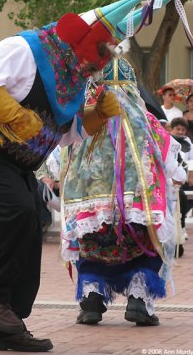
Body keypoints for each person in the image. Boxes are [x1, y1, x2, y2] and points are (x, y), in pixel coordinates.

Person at [0, 0, 179, 352]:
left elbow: (64, 133)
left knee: (34, 216)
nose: (102, 62)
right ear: (81, 40)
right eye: (102, 50)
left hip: (14, 159)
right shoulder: (28, 48)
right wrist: (13, 114)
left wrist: (94, 117)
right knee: (15, 210)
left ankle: (4, 326)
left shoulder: (75, 77)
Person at [61, 56, 186, 327]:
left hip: (90, 206)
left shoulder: (87, 123)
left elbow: (65, 157)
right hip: (138, 206)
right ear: (132, 85)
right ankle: (138, 300)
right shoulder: (146, 121)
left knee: (93, 245)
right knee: (145, 246)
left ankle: (92, 301)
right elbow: (172, 162)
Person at [35, 145, 61, 233]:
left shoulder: (74, 142)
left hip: (67, 184)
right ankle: (43, 221)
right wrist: (45, 179)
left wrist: (59, 184)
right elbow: (40, 168)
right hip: (49, 183)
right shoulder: (49, 143)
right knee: (36, 186)